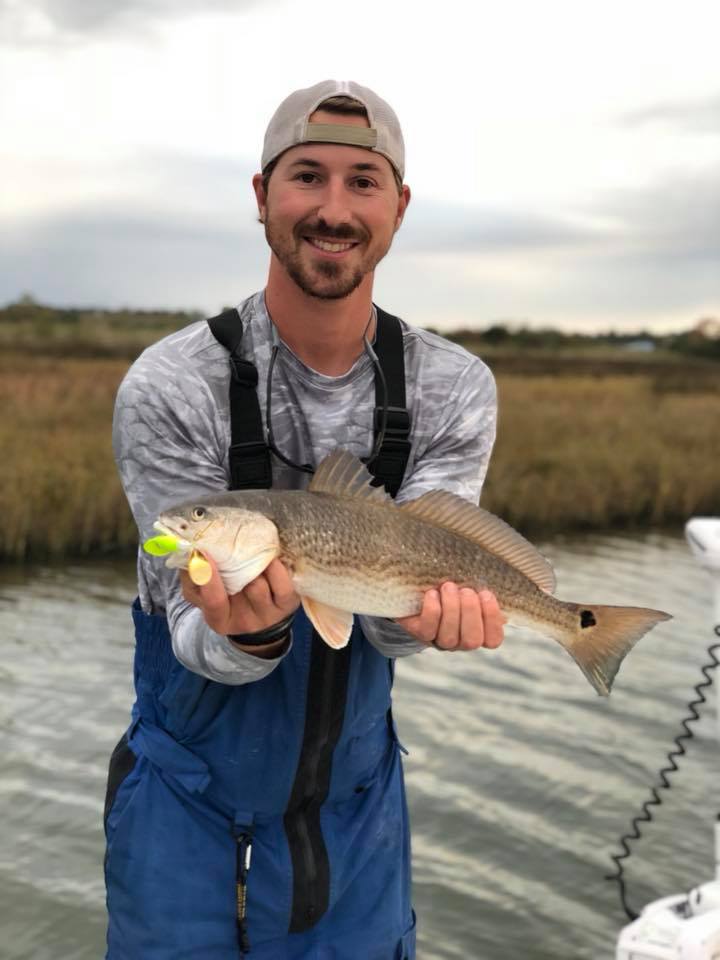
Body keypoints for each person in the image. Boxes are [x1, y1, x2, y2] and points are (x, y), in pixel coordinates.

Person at [106, 79, 504, 960]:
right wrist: (243, 638)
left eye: (364, 181)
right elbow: (184, 617)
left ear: (398, 207)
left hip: (358, 810)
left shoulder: (455, 388)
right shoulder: (170, 386)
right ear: (261, 196)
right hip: (182, 807)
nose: (334, 208)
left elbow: (399, 626)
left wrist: (425, 623)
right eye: (307, 176)